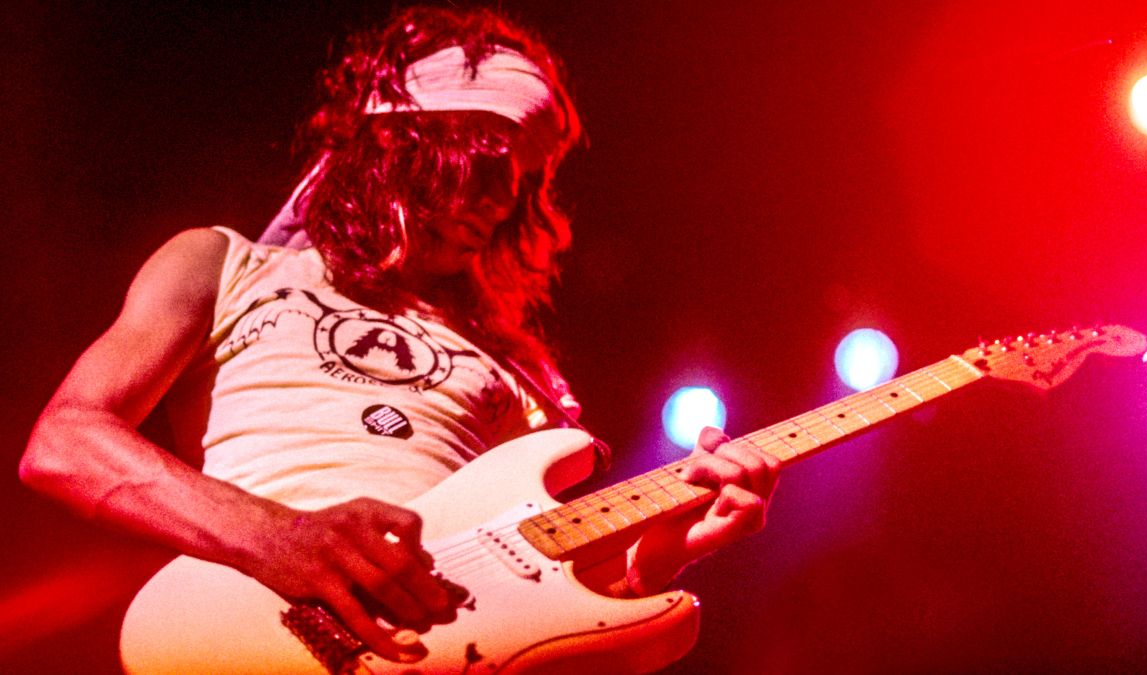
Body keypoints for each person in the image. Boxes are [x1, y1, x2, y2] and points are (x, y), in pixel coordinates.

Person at [19, 6, 780, 665]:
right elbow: (66, 441)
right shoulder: (224, 263)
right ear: (401, 138)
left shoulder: (522, 371)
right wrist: (276, 535)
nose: (501, 195)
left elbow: (540, 591)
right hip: (250, 625)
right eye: (484, 159)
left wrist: (672, 545)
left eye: (518, 178)